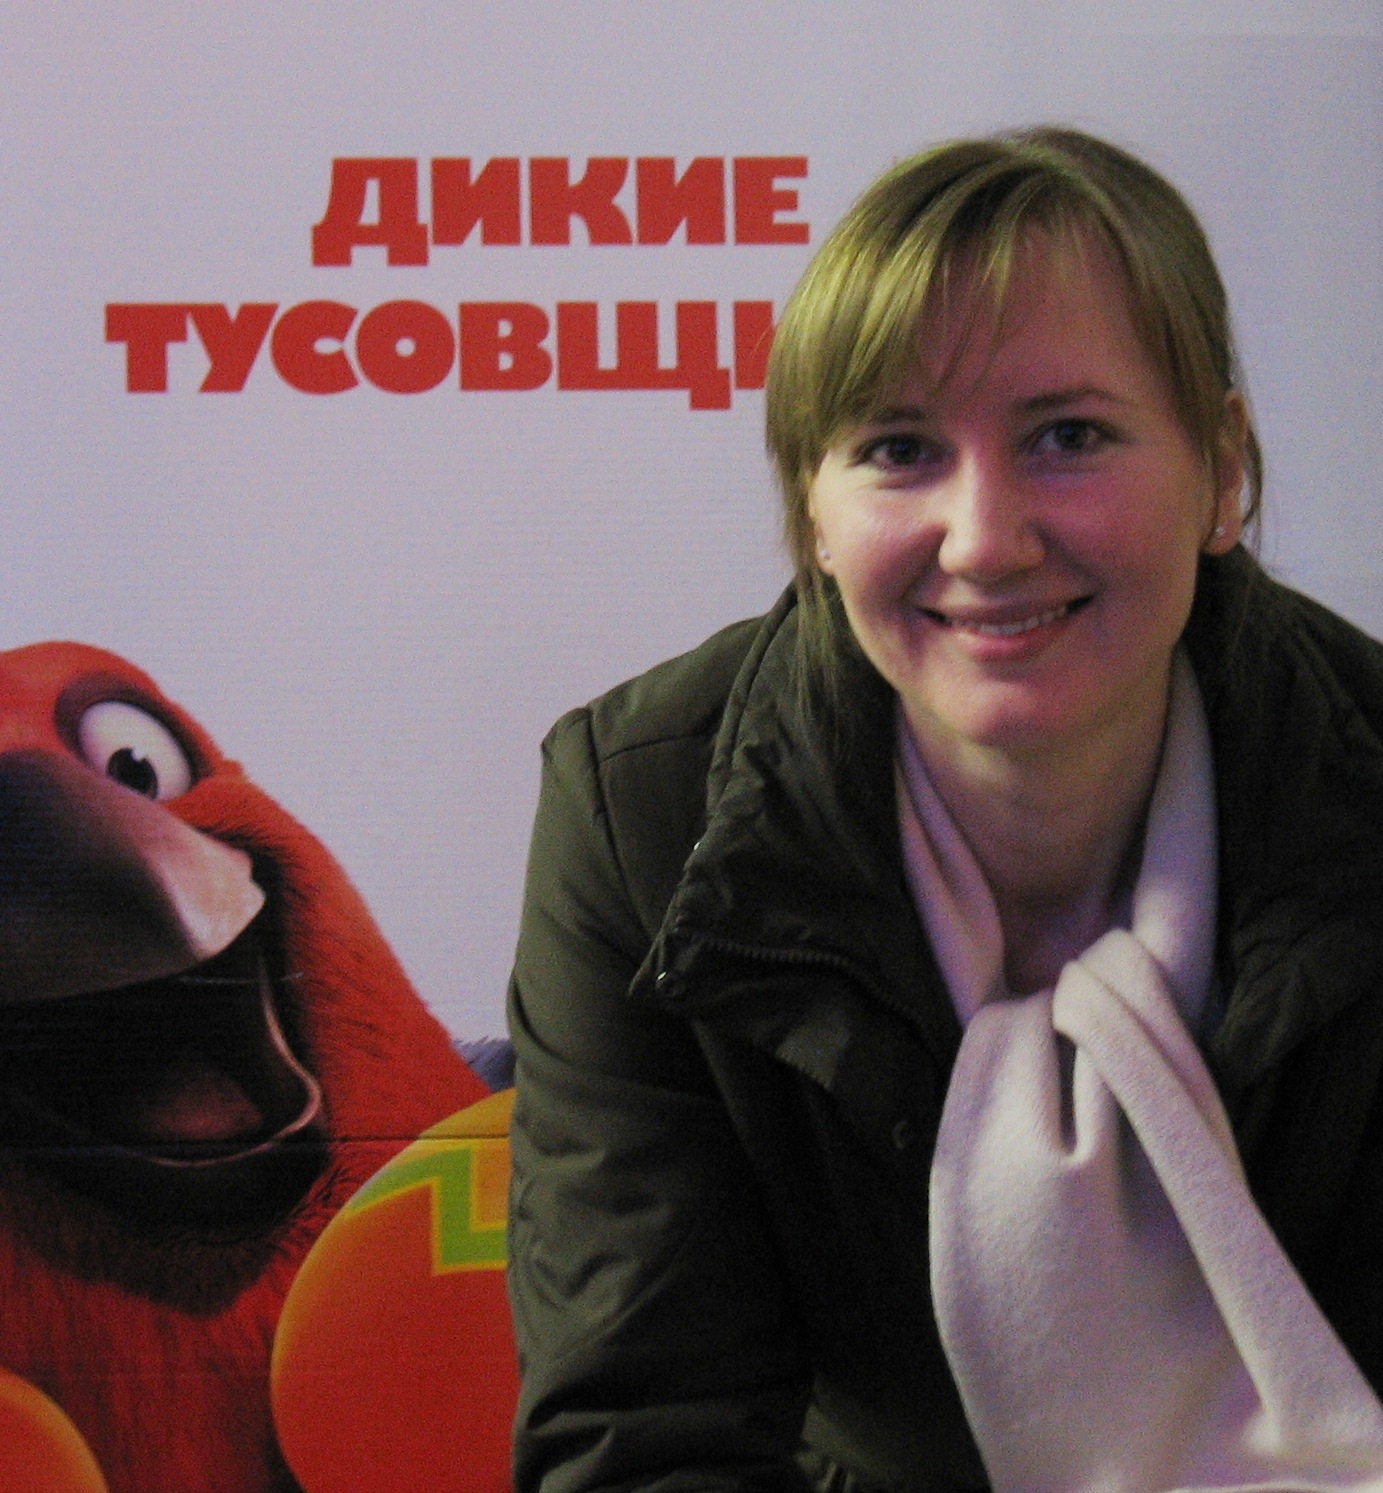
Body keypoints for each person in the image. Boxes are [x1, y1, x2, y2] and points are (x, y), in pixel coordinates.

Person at [506, 126, 1383, 1493]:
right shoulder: (641, 817)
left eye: (1069, 436)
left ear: (1224, 472)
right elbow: (648, 1438)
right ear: (812, 514)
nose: (984, 539)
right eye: (900, 449)